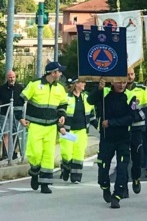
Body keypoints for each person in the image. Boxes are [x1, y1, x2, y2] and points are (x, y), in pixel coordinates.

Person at [18, 62, 68, 194]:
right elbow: (20, 100)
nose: (61, 74)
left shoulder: (60, 88)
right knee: (35, 154)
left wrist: (62, 115)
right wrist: (20, 118)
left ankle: (45, 184)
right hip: (35, 125)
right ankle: (34, 172)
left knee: (48, 155)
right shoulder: (34, 84)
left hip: (51, 127)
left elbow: (63, 104)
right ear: (53, 73)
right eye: (59, 71)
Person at [87, 79, 136, 209]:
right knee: (103, 166)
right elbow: (90, 100)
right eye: (119, 82)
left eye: (124, 83)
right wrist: (98, 88)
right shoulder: (105, 92)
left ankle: (117, 196)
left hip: (123, 138)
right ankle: (105, 187)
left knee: (122, 168)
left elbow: (132, 117)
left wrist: (112, 123)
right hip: (107, 138)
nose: (121, 85)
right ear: (113, 82)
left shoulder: (131, 96)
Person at [59, 77, 95, 183]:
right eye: (82, 82)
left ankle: (76, 177)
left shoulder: (86, 97)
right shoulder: (66, 97)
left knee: (78, 154)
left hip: (82, 130)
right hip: (67, 131)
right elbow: (60, 113)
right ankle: (66, 168)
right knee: (67, 153)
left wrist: (97, 125)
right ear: (76, 84)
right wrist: (60, 127)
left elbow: (91, 114)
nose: (84, 84)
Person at [126, 68, 147, 193]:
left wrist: (137, 116)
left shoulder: (142, 89)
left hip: (137, 128)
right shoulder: (119, 88)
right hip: (123, 128)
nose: (130, 77)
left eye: (131, 74)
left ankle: (136, 177)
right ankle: (122, 184)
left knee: (137, 156)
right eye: (127, 74)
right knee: (123, 158)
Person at [0, 70, 24, 160]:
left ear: (15, 77)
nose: (12, 79)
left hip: (16, 114)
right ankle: (6, 154)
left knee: (15, 132)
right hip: (4, 113)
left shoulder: (20, 88)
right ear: (7, 78)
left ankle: (14, 152)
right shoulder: (2, 88)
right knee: (5, 133)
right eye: (10, 77)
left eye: (13, 77)